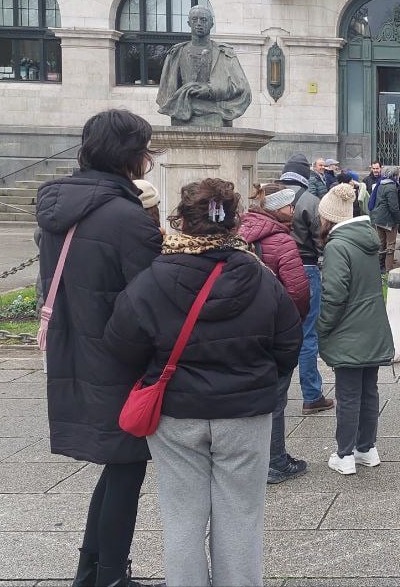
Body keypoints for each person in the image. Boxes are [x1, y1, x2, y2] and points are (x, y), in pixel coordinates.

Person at [104, 178, 302, 587]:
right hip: (245, 414)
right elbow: (288, 343)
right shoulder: (261, 278)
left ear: (182, 221)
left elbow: (121, 344)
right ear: (234, 223)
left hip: (177, 413)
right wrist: (261, 381)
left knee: (181, 519)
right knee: (242, 518)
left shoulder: (152, 278)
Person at [36, 109, 164, 587]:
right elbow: (154, 298)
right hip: (117, 356)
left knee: (118, 466)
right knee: (127, 468)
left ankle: (90, 570)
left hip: (76, 348)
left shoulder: (59, 207)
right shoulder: (124, 217)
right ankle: (110, 574)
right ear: (131, 156)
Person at [315, 184, 395, 475]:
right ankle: (366, 448)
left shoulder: (338, 246)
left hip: (349, 329)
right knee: (368, 391)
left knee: (348, 394)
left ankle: (345, 453)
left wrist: (322, 327)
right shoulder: (366, 241)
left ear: (328, 218)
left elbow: (335, 294)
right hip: (372, 326)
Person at [239, 184, 311, 485]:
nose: (293, 210)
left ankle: (247, 458)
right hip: (273, 328)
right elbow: (297, 292)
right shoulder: (282, 241)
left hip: (241, 327)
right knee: (277, 396)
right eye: (288, 206)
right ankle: (276, 461)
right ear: (276, 209)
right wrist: (292, 324)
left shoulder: (239, 232)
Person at [279, 155, 335, 417]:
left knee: (273, 333)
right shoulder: (311, 201)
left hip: (272, 271)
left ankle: (273, 394)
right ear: (305, 175)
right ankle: (312, 395)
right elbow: (321, 239)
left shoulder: (269, 196)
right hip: (306, 268)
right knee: (307, 334)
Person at [368, 167, 400, 271]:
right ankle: (388, 269)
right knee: (390, 245)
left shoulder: (381, 184)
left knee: (381, 244)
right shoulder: (391, 187)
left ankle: (379, 266)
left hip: (378, 218)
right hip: (388, 220)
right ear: (395, 175)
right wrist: (398, 219)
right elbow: (393, 207)